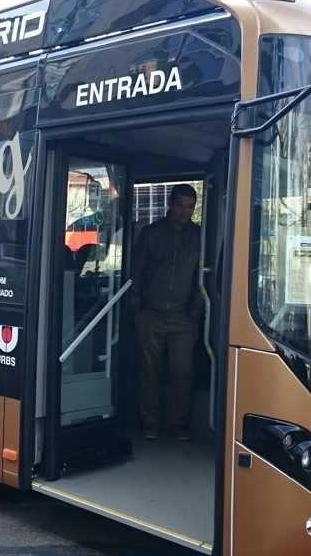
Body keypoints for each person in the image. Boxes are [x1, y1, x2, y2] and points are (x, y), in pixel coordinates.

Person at [129, 184, 203, 442]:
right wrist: (136, 309)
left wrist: (194, 313)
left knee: (183, 371)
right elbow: (135, 273)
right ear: (170, 204)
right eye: (181, 205)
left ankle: (178, 425)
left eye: (191, 206)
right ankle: (150, 424)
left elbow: (204, 277)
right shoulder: (151, 233)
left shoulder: (199, 236)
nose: (186, 211)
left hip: (183, 318)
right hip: (150, 314)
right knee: (149, 373)